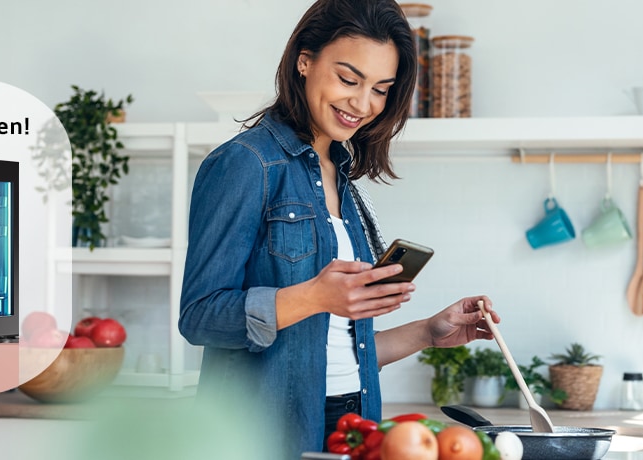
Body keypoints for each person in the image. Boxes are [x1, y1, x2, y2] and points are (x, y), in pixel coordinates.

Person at [178, 0, 500, 457]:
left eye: (381, 89)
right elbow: (199, 316)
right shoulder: (246, 164)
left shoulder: (343, 176)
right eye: (348, 79)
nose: (362, 103)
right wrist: (313, 296)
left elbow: (336, 349)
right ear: (304, 61)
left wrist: (429, 331)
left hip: (354, 423)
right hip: (265, 434)